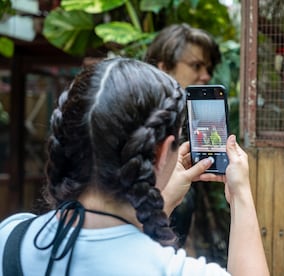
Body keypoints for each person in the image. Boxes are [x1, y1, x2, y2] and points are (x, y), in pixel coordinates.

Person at [0, 58, 269, 276]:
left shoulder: (11, 238)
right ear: (162, 152)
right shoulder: (175, 270)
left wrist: (161, 204)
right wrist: (241, 195)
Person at [145, 23, 222, 249]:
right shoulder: (139, 116)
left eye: (208, 68)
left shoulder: (195, 113)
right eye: (196, 66)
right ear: (164, 68)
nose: (205, 76)